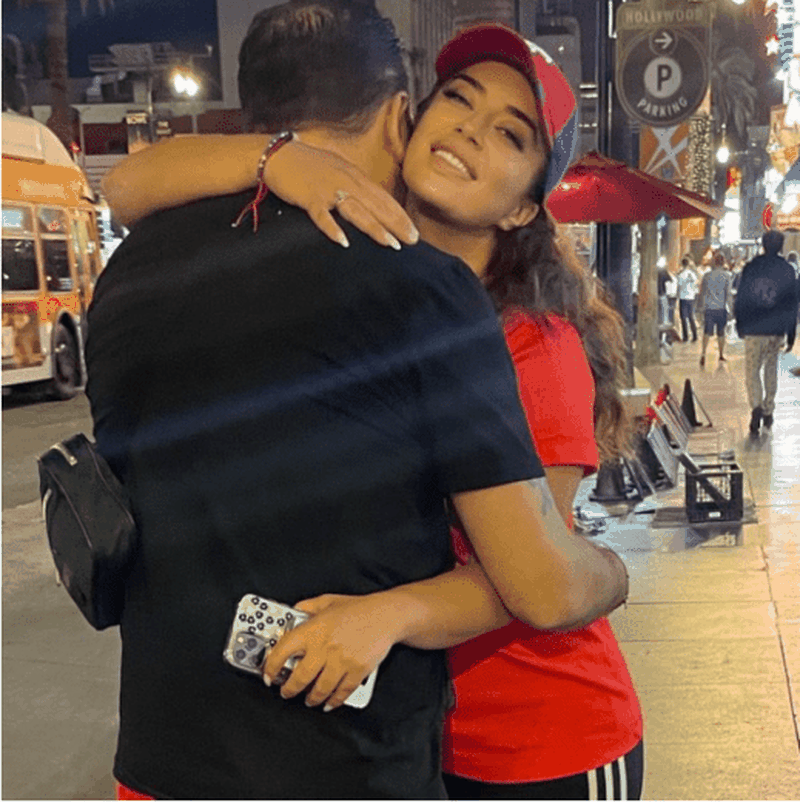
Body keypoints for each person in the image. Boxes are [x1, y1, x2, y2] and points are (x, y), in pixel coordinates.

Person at [88, 5, 627, 800]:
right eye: (458, 99)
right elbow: (128, 183)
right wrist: (282, 161)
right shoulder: (410, 287)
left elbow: (540, 577)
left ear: (525, 206)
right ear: (403, 120)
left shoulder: (524, 339)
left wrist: (605, 572)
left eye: (512, 135)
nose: (470, 130)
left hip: (531, 724)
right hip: (385, 744)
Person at [734, 229, 799, 433]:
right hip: (775, 329)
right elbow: (792, 304)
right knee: (771, 369)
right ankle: (768, 410)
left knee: (752, 370)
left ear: (762, 245)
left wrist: (739, 324)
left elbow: (741, 297)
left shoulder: (751, 267)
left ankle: (756, 406)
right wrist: (791, 333)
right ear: (781, 247)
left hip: (754, 329)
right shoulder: (787, 270)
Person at [697, 250, 733, 367]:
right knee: (721, 333)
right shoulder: (727, 276)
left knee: (707, 332)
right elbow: (728, 294)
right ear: (723, 262)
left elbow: (702, 293)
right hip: (721, 308)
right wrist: (731, 308)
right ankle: (721, 354)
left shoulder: (707, 276)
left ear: (714, 262)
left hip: (709, 307)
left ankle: (703, 353)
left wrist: (700, 308)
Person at [676, 255, 698, 342]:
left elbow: (678, 286)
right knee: (691, 317)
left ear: (682, 264)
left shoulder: (680, 275)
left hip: (682, 297)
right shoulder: (692, 274)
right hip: (691, 297)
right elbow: (696, 283)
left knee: (683, 318)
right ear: (688, 264)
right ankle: (695, 336)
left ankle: (685, 337)